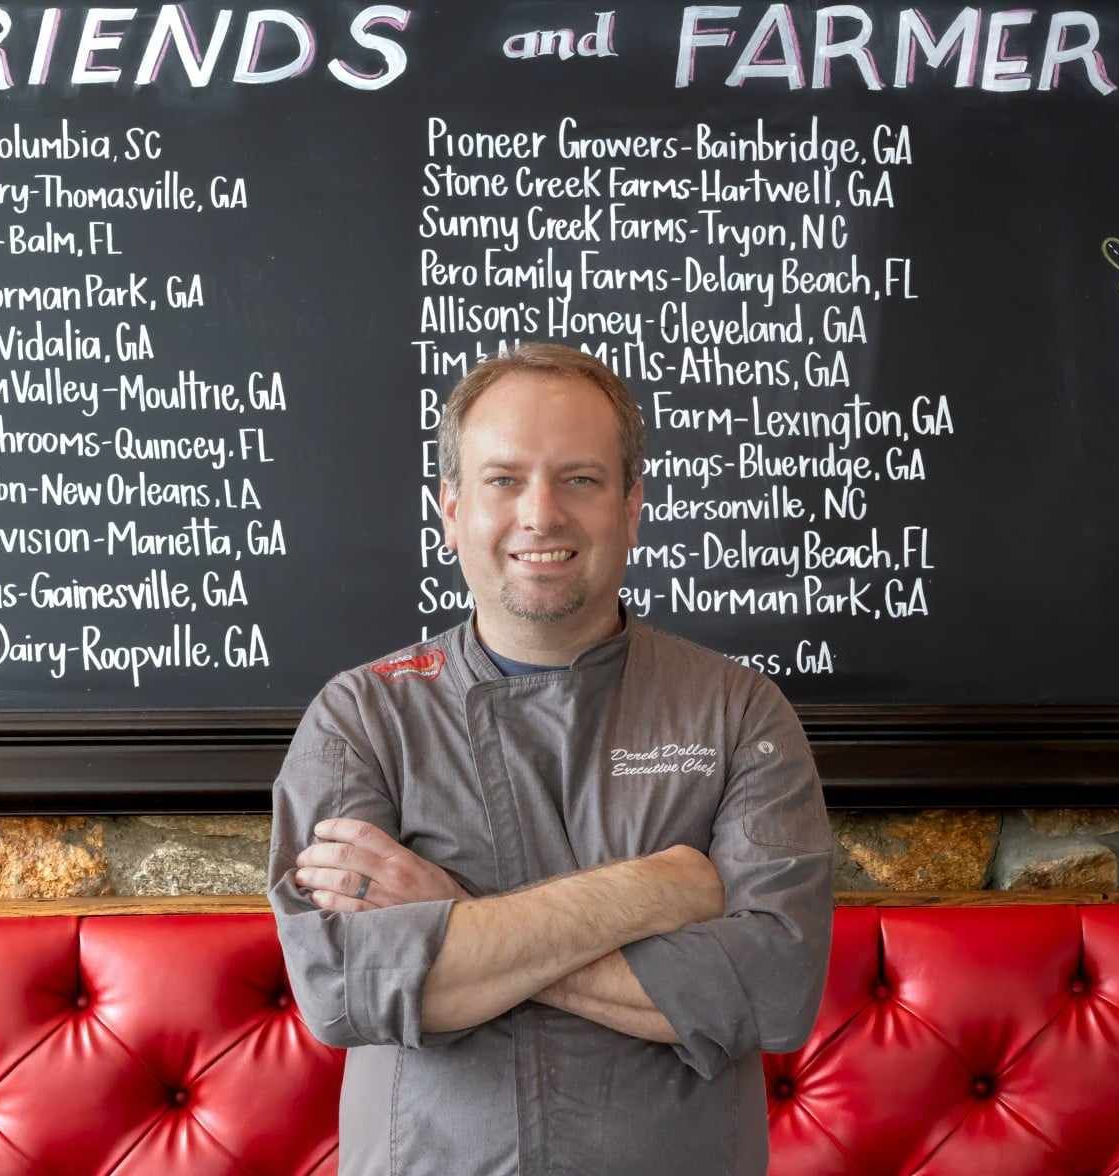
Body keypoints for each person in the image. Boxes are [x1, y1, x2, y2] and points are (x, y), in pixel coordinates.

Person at [267, 342, 833, 1176]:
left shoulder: (737, 710)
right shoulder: (361, 715)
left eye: (580, 479)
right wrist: (657, 888)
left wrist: (448, 916)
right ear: (450, 509)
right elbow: (347, 988)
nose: (541, 514)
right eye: (503, 480)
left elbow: (769, 990)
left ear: (631, 506)